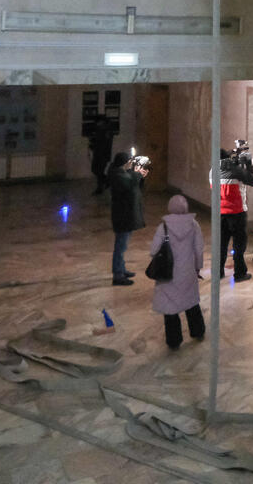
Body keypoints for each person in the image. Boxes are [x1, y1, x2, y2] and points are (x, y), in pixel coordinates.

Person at [148, 194, 205, 349]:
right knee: (191, 303)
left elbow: (153, 250)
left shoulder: (164, 227)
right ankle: (198, 331)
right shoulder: (194, 225)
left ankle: (174, 341)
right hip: (187, 272)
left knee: (170, 308)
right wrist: (198, 267)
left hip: (168, 274)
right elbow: (199, 249)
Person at [218, 138, 253, 282]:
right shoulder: (236, 171)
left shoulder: (213, 171)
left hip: (220, 214)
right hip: (237, 213)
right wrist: (249, 165)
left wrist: (233, 155)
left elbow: (225, 164)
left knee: (221, 245)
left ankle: (218, 272)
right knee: (239, 245)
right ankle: (240, 273)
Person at [108, 151, 147, 286]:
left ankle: (121, 269)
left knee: (122, 246)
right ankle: (118, 275)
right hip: (122, 216)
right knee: (120, 246)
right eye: (129, 162)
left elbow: (132, 183)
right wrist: (137, 174)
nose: (130, 164)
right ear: (124, 163)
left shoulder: (120, 173)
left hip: (125, 215)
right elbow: (129, 184)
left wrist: (138, 175)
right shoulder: (117, 175)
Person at [87, 114, 115, 194]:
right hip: (99, 153)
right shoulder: (101, 130)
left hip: (102, 154)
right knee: (96, 170)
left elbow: (103, 143)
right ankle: (106, 182)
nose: (97, 124)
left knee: (99, 171)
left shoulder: (105, 131)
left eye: (98, 122)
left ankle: (101, 187)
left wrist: (93, 142)